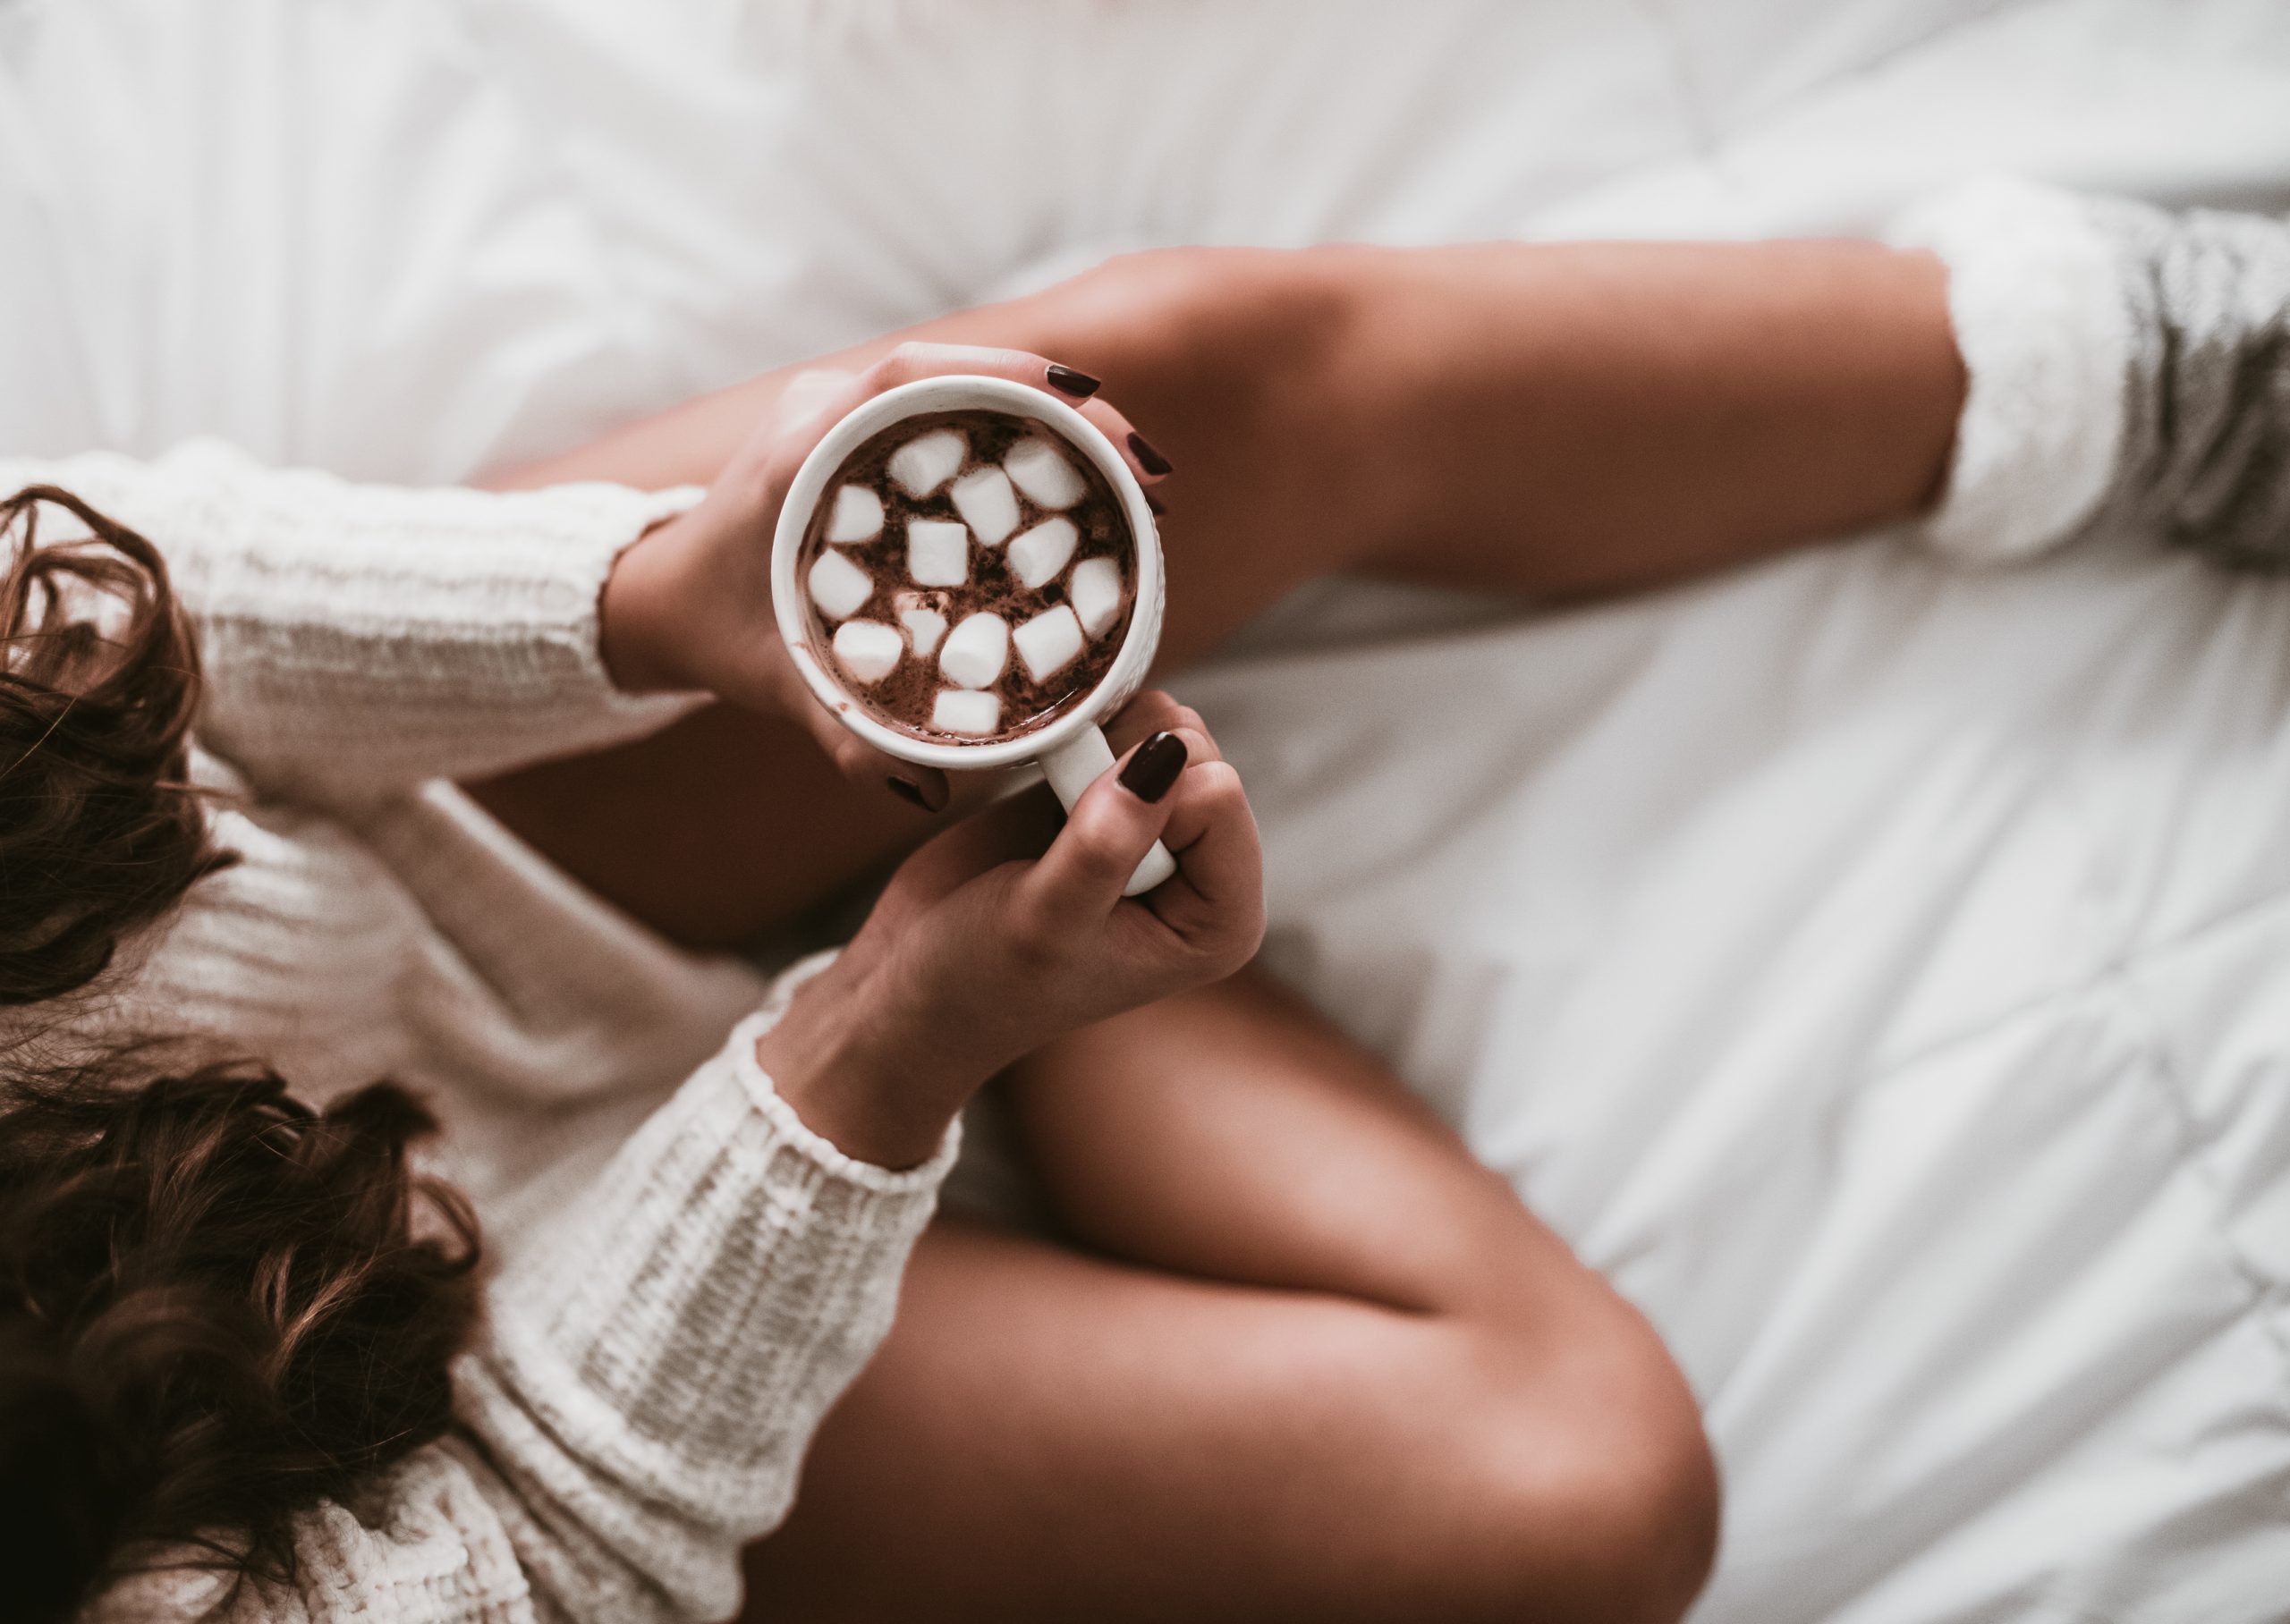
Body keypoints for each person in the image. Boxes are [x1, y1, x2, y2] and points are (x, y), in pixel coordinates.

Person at [4, 170, 2278, 1624]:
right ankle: (1043, 927)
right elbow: (521, 1557)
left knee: (1145, 397)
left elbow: (119, 616)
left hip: (405, 835)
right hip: (459, 1390)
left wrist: (646, 597)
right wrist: (890, 1042)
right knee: (1562, 1498)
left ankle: (2145, 370)